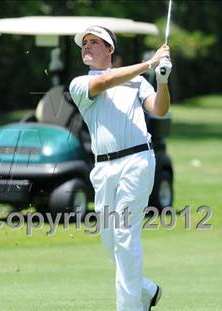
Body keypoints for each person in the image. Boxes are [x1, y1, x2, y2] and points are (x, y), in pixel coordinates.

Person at [69, 26, 172, 311]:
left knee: (125, 235)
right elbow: (104, 82)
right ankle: (146, 291)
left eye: (94, 42)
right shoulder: (79, 83)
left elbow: (159, 109)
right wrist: (150, 63)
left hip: (137, 160)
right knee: (110, 239)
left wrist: (162, 81)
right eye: (85, 43)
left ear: (110, 49)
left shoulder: (137, 81)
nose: (87, 46)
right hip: (103, 168)